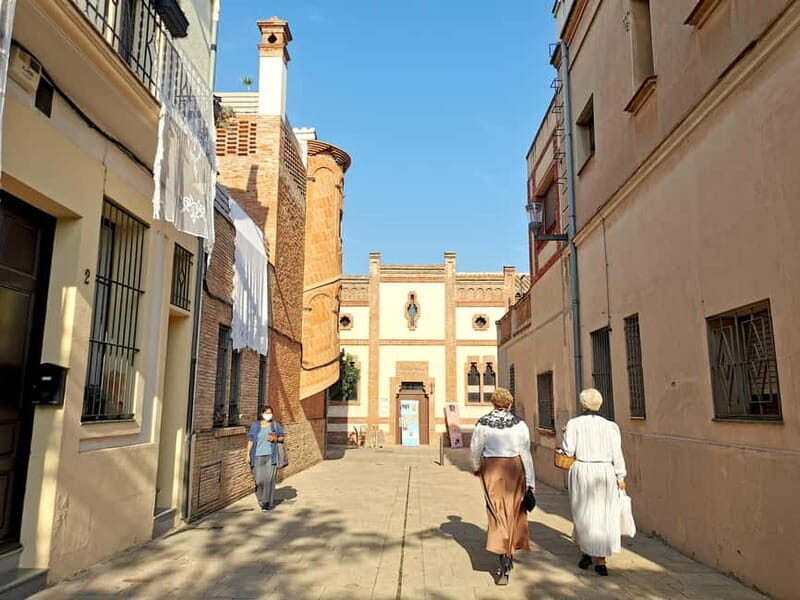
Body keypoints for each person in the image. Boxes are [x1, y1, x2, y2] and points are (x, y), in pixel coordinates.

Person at [469, 388, 535, 585]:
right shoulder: (519, 425)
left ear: (493, 403)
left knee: (496, 512)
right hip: (514, 468)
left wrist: (475, 467)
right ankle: (510, 551)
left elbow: (475, 449)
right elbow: (526, 453)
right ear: (509, 404)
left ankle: (503, 559)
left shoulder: (483, 423)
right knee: (514, 511)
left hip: (492, 469)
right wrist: (530, 481)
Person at [562, 388, 627, 576]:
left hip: (583, 470)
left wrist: (565, 434)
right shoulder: (611, 426)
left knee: (584, 513)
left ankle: (587, 553)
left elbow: (568, 450)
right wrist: (620, 476)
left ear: (583, 405)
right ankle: (600, 559)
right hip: (605, 471)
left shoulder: (574, 424)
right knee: (604, 513)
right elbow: (617, 453)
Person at [246, 405, 285, 512]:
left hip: (271, 456)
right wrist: (247, 454)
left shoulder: (275, 425)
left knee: (268, 480)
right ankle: (263, 498)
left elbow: (282, 437)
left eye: (270, 413)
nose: (269, 415)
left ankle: (266, 503)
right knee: (259, 480)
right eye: (266, 413)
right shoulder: (255, 426)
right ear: (262, 414)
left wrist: (275, 438)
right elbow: (250, 440)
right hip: (257, 456)